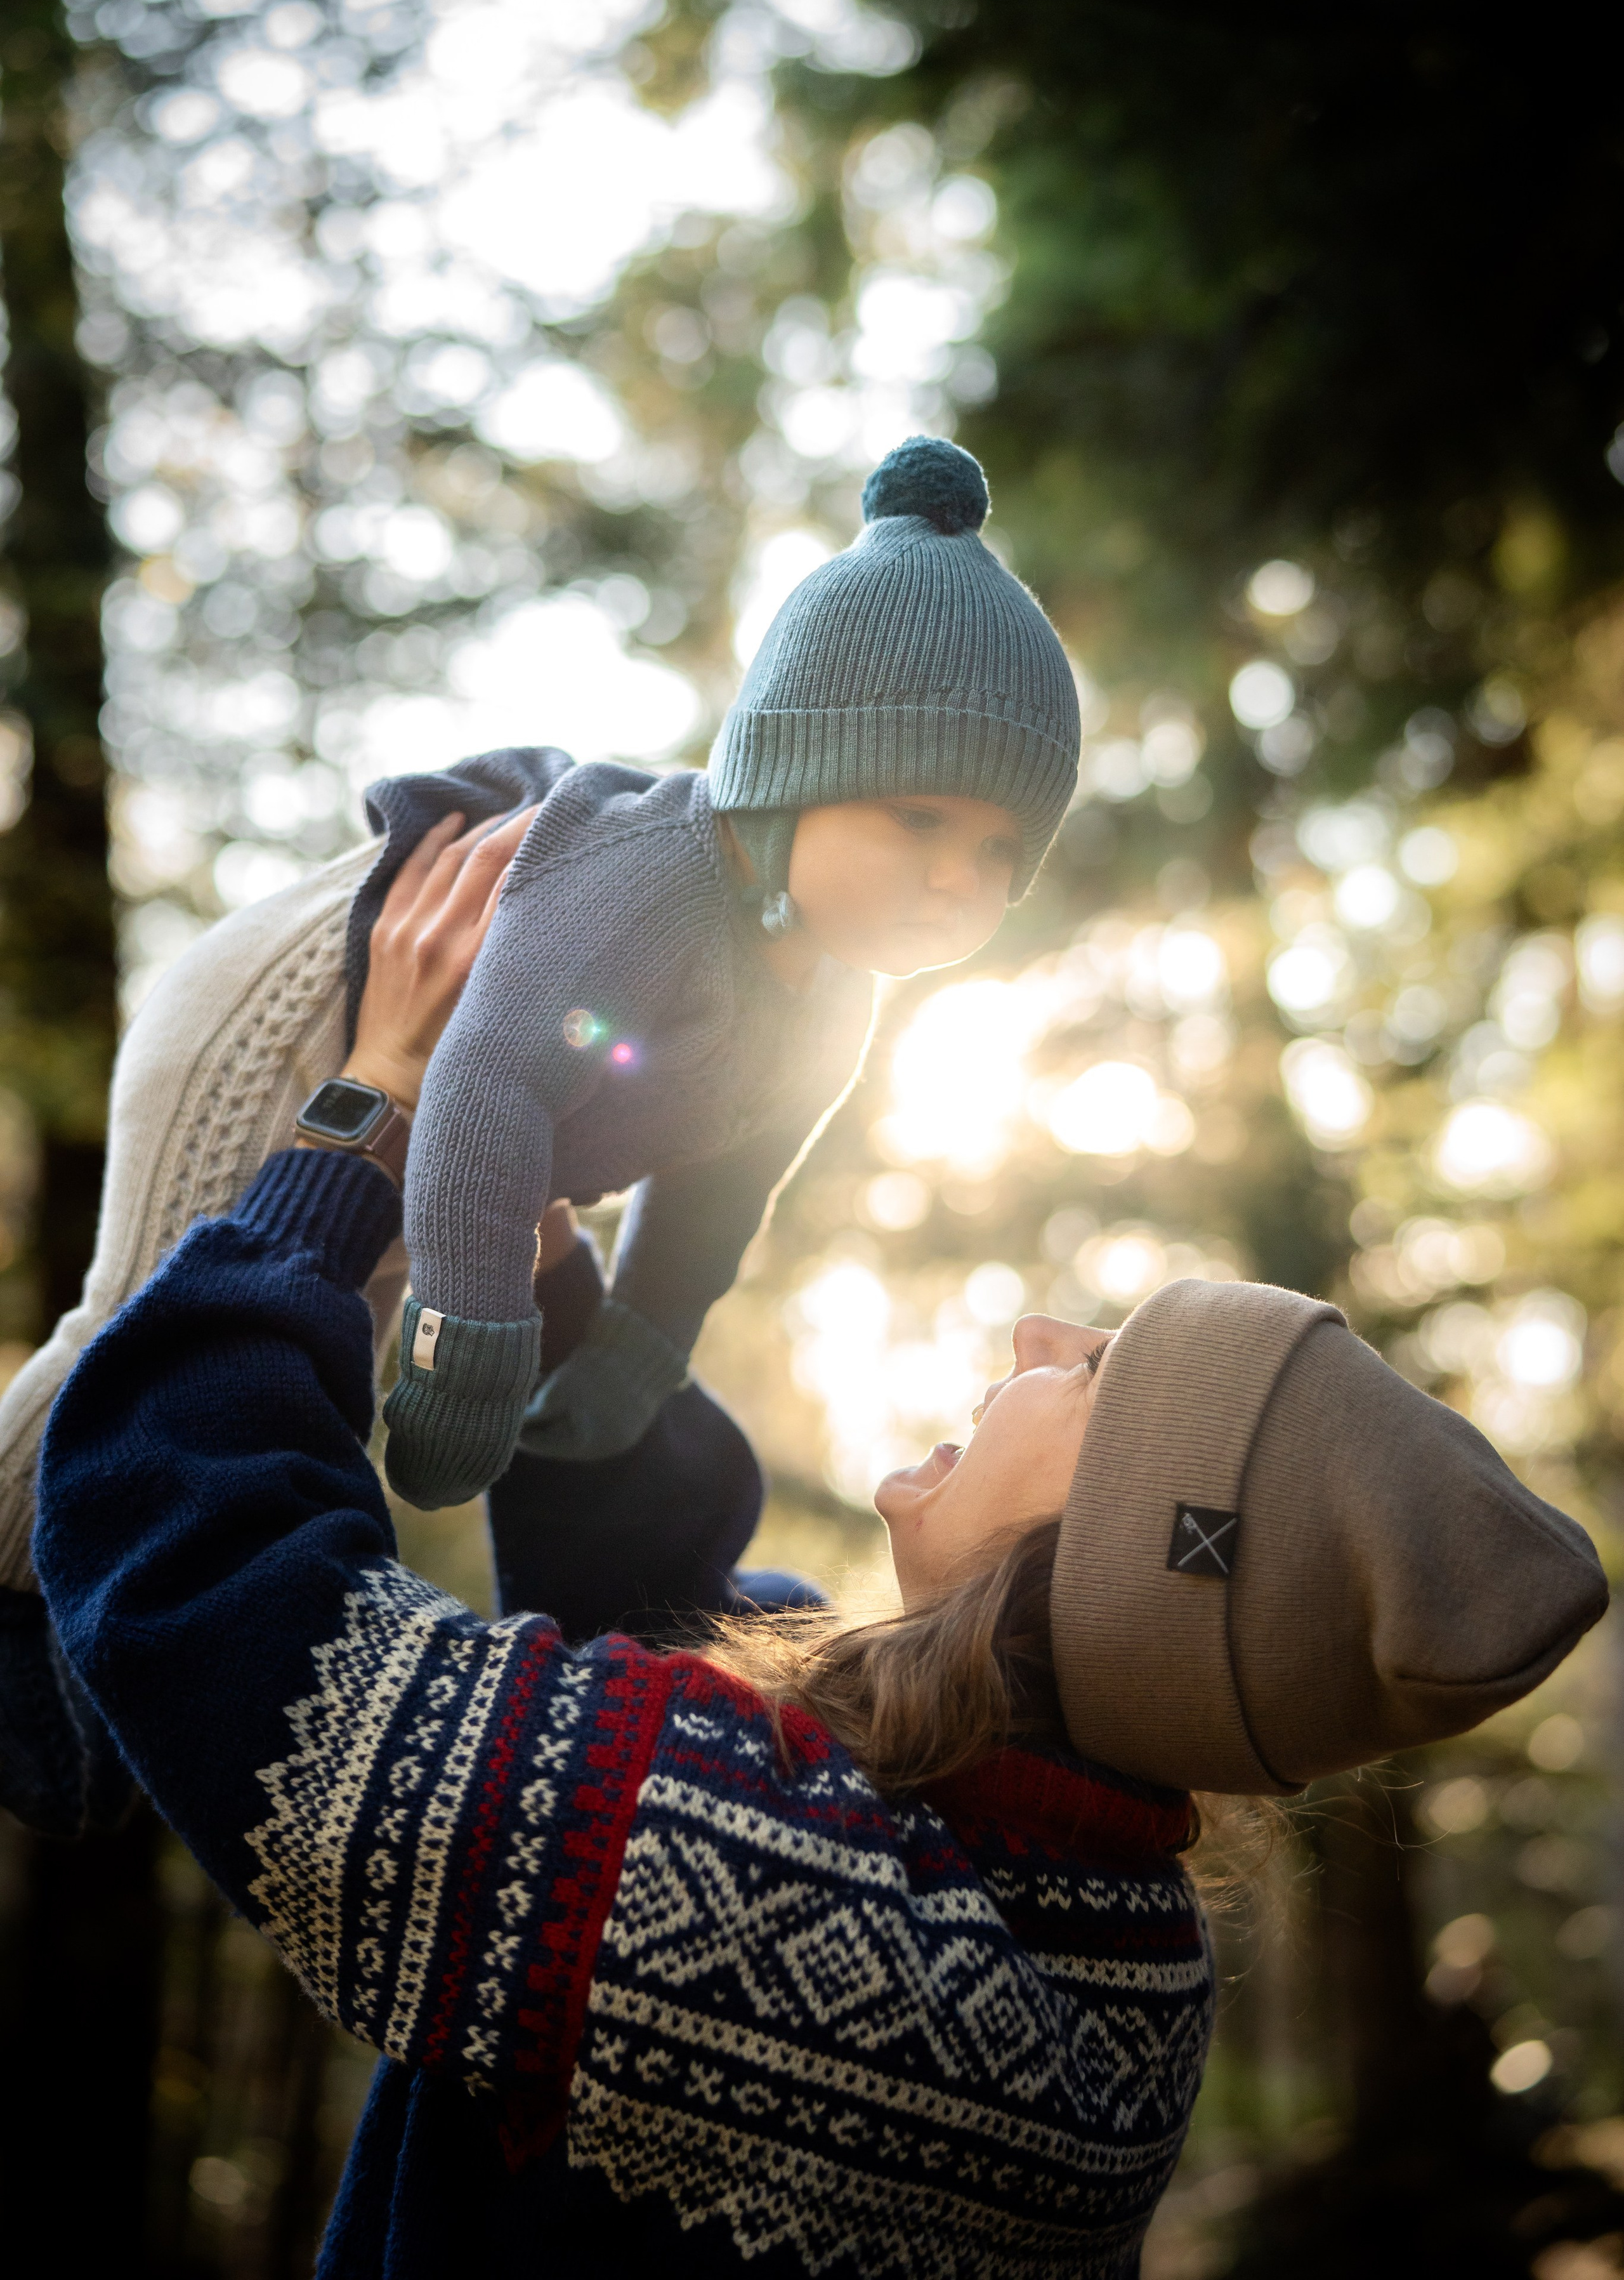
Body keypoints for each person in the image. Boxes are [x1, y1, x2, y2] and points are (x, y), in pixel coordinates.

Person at [32, 815, 1607, 2279]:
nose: (1036, 1329)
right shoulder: (1095, 1950)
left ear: (1129, 1558)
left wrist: (359, 1117)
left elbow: (204, 1573)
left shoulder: (816, 1937)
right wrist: (557, 1281)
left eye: (1100, 1369)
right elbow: (694, 1628)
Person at [0, 432, 1081, 1817]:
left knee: (294, 1390)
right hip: (295, 1026)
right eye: (917, 814)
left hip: (436, 1154)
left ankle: (83, 1709)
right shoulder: (644, 877)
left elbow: (720, 1191)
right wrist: (466, 1348)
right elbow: (491, 1082)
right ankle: (22, 1607)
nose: (954, 880)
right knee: (142, 1336)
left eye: (997, 854)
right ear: (787, 773)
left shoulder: (833, 1003)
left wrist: (636, 1352)